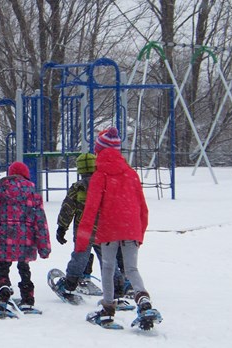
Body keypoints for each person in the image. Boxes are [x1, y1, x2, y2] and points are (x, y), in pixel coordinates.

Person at [75, 126, 160, 330]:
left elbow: (90, 210)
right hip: (130, 228)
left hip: (109, 230)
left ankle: (107, 308)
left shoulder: (100, 176)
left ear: (99, 151)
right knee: (131, 268)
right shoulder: (131, 174)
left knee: (108, 267)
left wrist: (82, 242)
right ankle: (143, 302)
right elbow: (142, 207)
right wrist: (139, 233)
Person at [0, 161, 51, 314]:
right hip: (27, 239)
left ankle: (3, 294)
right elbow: (41, 223)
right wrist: (44, 248)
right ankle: (27, 299)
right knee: (24, 268)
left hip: (6, 238)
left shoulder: (3, 193)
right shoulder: (34, 196)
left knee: (3, 268)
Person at [53, 153, 103, 303]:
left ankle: (70, 284)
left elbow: (68, 208)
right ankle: (118, 284)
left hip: (84, 229)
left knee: (80, 256)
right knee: (107, 259)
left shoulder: (78, 187)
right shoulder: (104, 184)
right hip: (103, 229)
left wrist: (62, 227)